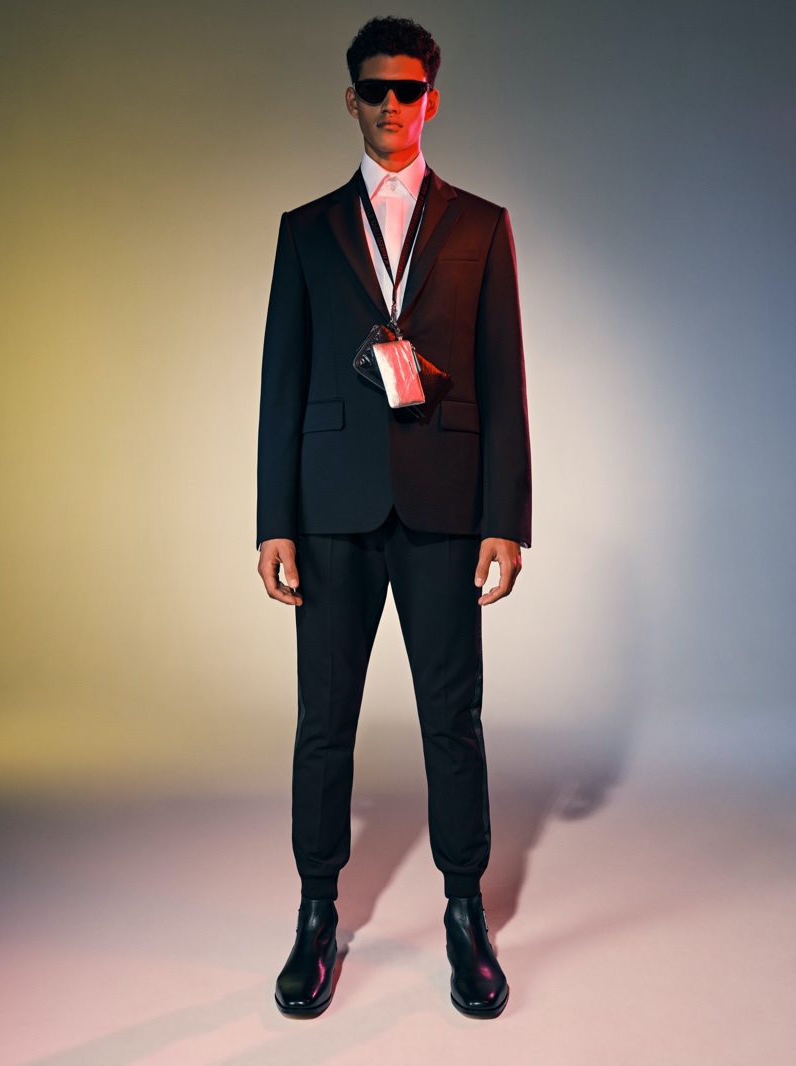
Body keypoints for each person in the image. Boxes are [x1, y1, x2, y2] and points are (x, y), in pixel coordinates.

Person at [256, 16, 531, 1019]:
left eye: (406, 89)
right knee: (323, 721)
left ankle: (465, 912)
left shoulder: (480, 225)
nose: (389, 104)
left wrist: (505, 518)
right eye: (373, 89)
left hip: (445, 504)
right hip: (329, 507)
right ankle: (316, 913)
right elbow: (280, 381)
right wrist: (272, 520)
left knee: (451, 718)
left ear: (431, 100)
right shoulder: (305, 230)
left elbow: (502, 376)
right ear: (350, 99)